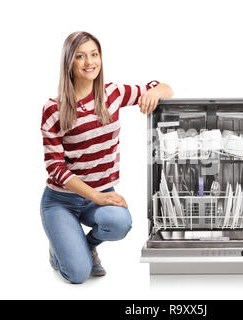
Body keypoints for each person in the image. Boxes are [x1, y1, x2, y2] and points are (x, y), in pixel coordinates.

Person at [39, 31, 173, 284]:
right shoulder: (53, 109)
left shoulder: (113, 94)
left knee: (119, 223)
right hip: (61, 201)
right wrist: (97, 196)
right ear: (69, 62)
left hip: (97, 196)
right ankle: (60, 248)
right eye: (80, 56)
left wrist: (155, 93)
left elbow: (164, 87)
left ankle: (85, 246)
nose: (90, 62)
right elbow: (55, 167)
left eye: (94, 54)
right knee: (77, 275)